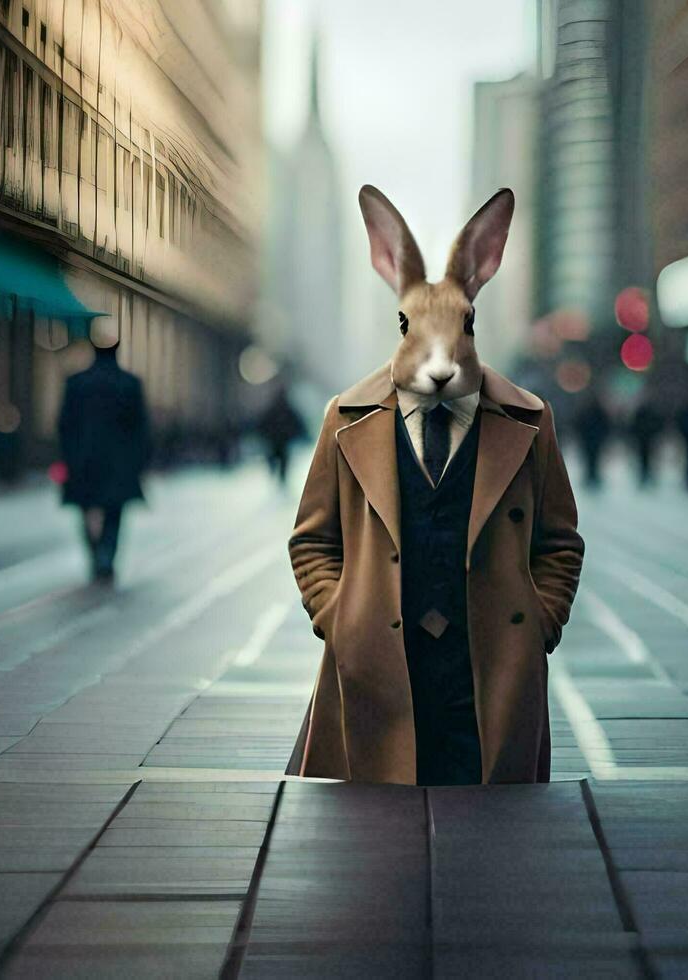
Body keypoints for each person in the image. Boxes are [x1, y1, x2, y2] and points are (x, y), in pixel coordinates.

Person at [288, 184, 582, 786]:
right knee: (375, 850)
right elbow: (312, 541)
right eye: (412, 328)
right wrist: (340, 617)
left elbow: (560, 543)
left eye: (461, 327)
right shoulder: (346, 418)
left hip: (490, 671)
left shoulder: (531, 421)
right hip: (377, 668)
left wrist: (539, 625)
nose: (439, 360)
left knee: (492, 849)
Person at [56, 341, 151, 584]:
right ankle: (106, 555)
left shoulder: (76, 383)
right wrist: (140, 462)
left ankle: (95, 551)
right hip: (119, 462)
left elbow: (65, 425)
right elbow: (141, 429)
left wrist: (67, 457)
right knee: (114, 512)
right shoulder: (130, 384)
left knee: (85, 507)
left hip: (83, 460)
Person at [256, 385, 305, 486]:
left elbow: (262, 424)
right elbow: (297, 423)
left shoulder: (273, 409)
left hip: (276, 442)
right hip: (280, 442)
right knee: (282, 462)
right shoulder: (286, 409)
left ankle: (277, 478)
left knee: (277, 461)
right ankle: (279, 479)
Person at [572, 394, 610, 488]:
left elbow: (578, 424)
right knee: (593, 459)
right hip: (593, 440)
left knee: (590, 459)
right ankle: (592, 477)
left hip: (589, 440)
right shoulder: (599, 412)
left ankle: (591, 477)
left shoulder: (585, 412)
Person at [629, 400, 664, 488]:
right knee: (644, 459)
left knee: (650, 459)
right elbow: (634, 426)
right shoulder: (643, 413)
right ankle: (644, 476)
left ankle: (648, 476)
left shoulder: (651, 413)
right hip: (643, 440)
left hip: (649, 440)